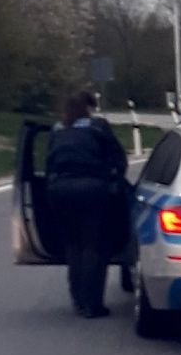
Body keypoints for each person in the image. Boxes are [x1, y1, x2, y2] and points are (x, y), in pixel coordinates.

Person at [46, 90, 128, 318]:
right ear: (89, 107)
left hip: (59, 191)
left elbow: (50, 162)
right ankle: (93, 304)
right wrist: (116, 185)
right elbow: (118, 159)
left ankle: (78, 300)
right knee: (94, 246)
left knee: (73, 246)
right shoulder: (97, 127)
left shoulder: (58, 129)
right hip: (93, 190)